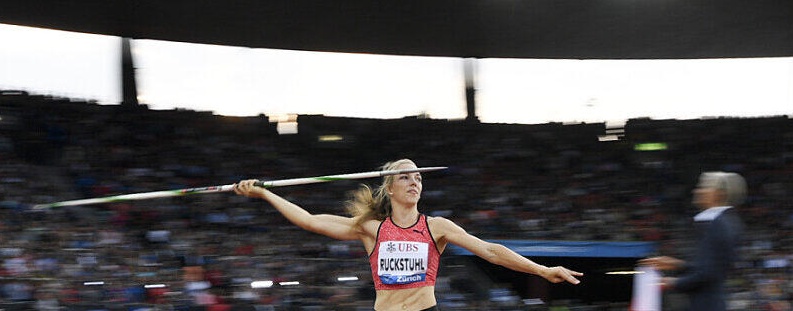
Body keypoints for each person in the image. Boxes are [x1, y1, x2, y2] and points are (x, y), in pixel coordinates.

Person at [233, 159, 581, 311]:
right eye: (405, 177)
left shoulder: (436, 227)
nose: (414, 182)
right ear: (390, 187)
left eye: (418, 178)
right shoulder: (372, 228)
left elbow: (490, 250)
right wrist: (264, 193)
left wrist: (540, 270)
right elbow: (309, 220)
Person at [641, 171, 746, 311]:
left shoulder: (718, 223)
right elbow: (709, 267)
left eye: (703, 187)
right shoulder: (725, 220)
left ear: (718, 194)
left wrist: (673, 282)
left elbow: (708, 274)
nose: (697, 191)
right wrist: (677, 264)